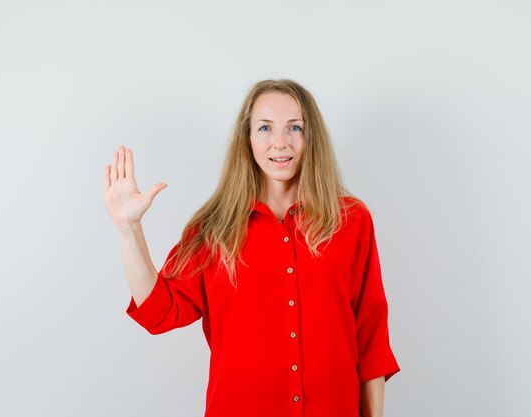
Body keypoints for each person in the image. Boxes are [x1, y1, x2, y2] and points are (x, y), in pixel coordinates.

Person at [103, 79, 400, 417]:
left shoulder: (351, 220)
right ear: (247, 138)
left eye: (295, 127)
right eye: (264, 127)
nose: (280, 142)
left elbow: (372, 340)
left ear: (311, 137)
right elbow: (159, 311)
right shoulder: (214, 228)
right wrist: (129, 229)